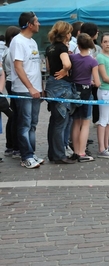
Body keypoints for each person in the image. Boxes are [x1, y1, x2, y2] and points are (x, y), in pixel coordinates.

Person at [9, 11, 44, 169]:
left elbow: (35, 67)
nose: (39, 24)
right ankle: (26, 156)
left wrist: (40, 88)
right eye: (36, 21)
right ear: (29, 24)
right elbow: (18, 66)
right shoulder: (18, 41)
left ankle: (31, 152)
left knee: (33, 124)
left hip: (35, 90)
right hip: (23, 90)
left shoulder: (33, 42)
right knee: (24, 124)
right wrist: (30, 87)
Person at [45, 21, 76, 164]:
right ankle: (59, 155)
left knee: (54, 121)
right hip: (62, 87)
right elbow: (67, 64)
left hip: (52, 84)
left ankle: (53, 153)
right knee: (61, 122)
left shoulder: (49, 48)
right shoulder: (62, 48)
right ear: (66, 34)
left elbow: (48, 67)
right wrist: (65, 70)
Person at [69, 33, 101, 162]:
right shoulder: (93, 61)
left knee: (75, 122)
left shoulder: (72, 58)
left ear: (78, 45)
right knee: (86, 123)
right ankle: (82, 152)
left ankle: (76, 151)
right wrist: (92, 82)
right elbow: (98, 83)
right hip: (86, 92)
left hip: (74, 90)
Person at [2, 26, 20, 158]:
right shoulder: (10, 52)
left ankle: (10, 145)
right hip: (13, 83)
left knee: (13, 115)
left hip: (10, 82)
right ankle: (14, 146)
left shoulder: (8, 51)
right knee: (14, 116)